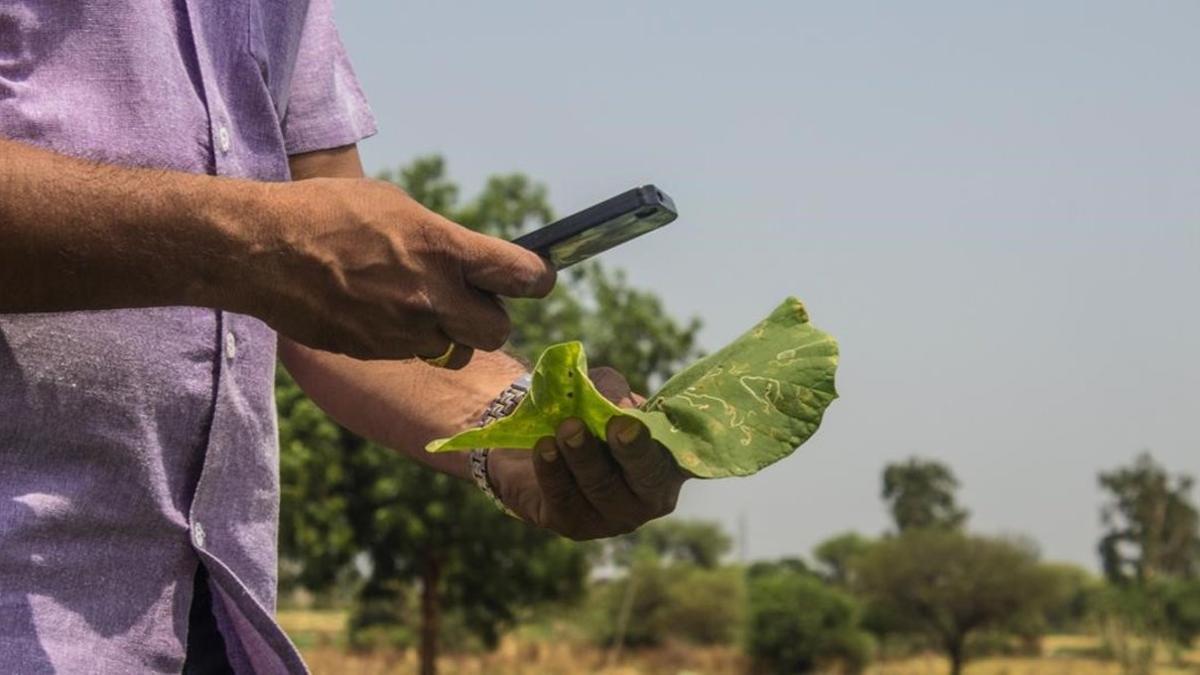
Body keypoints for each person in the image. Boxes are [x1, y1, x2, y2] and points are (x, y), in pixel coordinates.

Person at [0, 2, 687, 672]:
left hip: (217, 620)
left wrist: (519, 432)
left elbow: (326, 287)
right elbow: (289, 251)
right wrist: (257, 249)